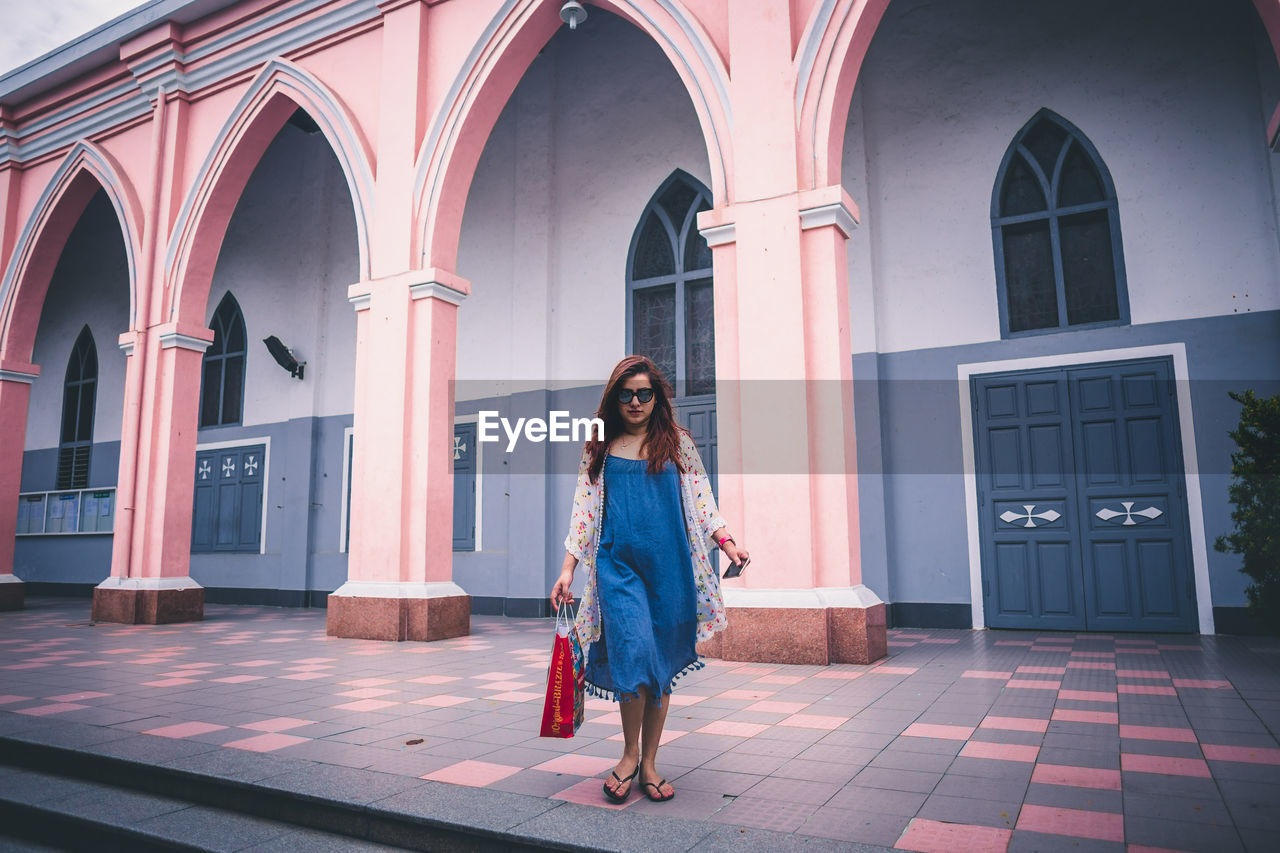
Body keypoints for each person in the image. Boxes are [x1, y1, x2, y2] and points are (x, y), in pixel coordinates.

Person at [550, 355, 748, 804]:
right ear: (614, 398)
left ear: (657, 397)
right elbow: (583, 510)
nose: (635, 401)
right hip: (617, 567)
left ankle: (650, 762)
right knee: (634, 653)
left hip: (671, 570)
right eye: (626, 394)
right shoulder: (599, 445)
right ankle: (628, 753)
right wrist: (568, 569)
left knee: (657, 666)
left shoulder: (676, 443)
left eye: (644, 393)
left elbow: (702, 501)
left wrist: (727, 542)